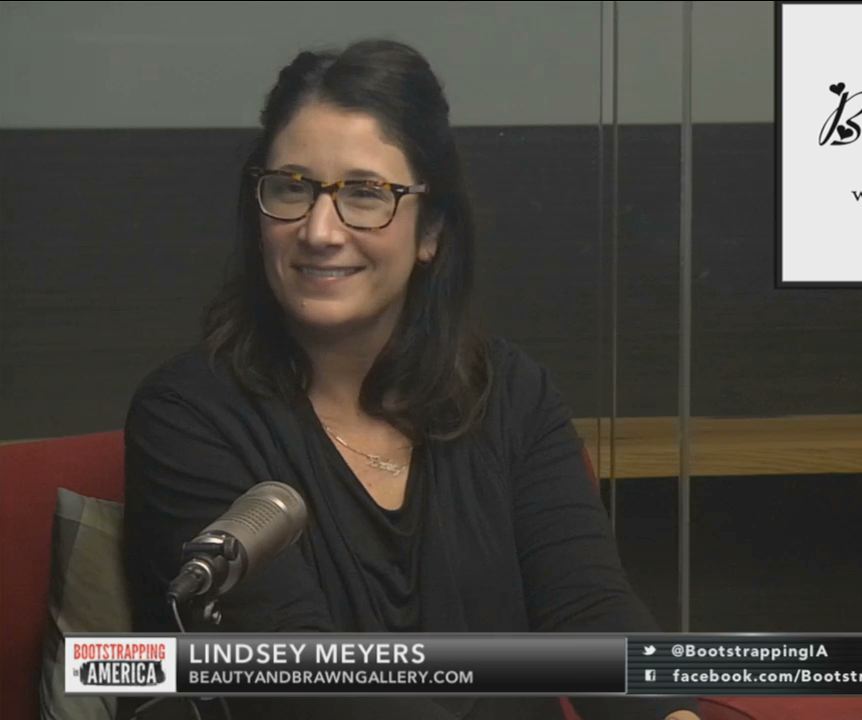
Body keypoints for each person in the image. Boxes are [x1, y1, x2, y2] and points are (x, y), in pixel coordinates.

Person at [120, 39, 700, 720]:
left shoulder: (512, 394)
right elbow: (299, 682)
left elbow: (590, 611)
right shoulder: (186, 415)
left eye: (366, 194)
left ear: (432, 232)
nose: (319, 230)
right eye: (292, 187)